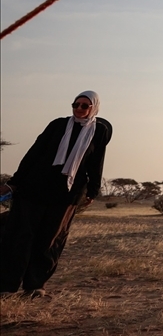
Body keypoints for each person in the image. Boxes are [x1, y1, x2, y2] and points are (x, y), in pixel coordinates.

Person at [0, 91, 112, 296]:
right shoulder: (58, 125)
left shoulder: (99, 131)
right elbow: (34, 153)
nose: (78, 109)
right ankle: (6, 286)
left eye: (84, 106)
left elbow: (96, 162)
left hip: (66, 194)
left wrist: (93, 190)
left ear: (94, 108)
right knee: (20, 237)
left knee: (51, 239)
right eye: (75, 104)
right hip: (33, 188)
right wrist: (14, 182)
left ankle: (35, 286)